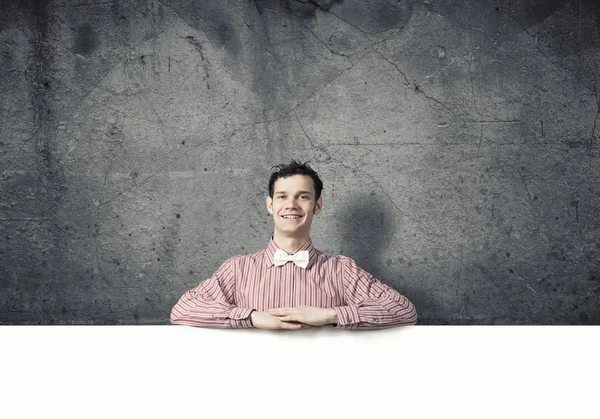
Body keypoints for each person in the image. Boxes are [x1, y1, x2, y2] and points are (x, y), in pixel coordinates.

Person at [170, 160, 417, 329]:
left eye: (303, 197)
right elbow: (183, 309)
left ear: (317, 206)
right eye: (282, 197)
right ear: (270, 205)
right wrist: (250, 317)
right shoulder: (237, 269)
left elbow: (404, 310)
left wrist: (329, 315)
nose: (292, 205)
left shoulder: (342, 270)